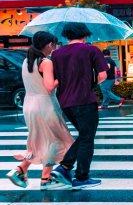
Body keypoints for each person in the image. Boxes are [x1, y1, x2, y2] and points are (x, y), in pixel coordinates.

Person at [6, 32, 74, 189]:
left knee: (38, 141)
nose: (55, 48)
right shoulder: (45, 62)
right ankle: (45, 178)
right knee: (56, 141)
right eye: (55, 44)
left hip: (29, 105)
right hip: (45, 105)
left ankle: (20, 169)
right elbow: (50, 87)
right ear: (49, 44)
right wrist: (62, 77)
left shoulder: (26, 61)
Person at [52, 22, 108, 189]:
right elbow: (103, 75)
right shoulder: (91, 50)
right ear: (85, 34)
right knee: (87, 138)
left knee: (85, 135)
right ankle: (80, 176)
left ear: (66, 35)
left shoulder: (56, 54)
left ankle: (65, 168)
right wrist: (91, 85)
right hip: (84, 100)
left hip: (65, 102)